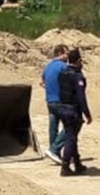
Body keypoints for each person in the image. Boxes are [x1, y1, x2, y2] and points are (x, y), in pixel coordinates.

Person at [54, 48, 92, 176]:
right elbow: (81, 97)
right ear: (79, 60)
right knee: (71, 137)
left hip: (62, 108)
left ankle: (77, 163)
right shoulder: (77, 76)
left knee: (72, 136)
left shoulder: (62, 73)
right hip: (72, 111)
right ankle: (65, 166)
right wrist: (87, 114)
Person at [39, 44, 69, 164]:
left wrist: (50, 88)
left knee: (53, 127)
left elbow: (41, 82)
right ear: (60, 53)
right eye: (66, 53)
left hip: (50, 101)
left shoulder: (48, 66)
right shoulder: (63, 67)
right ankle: (54, 149)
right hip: (60, 101)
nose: (68, 56)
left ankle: (54, 153)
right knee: (70, 126)